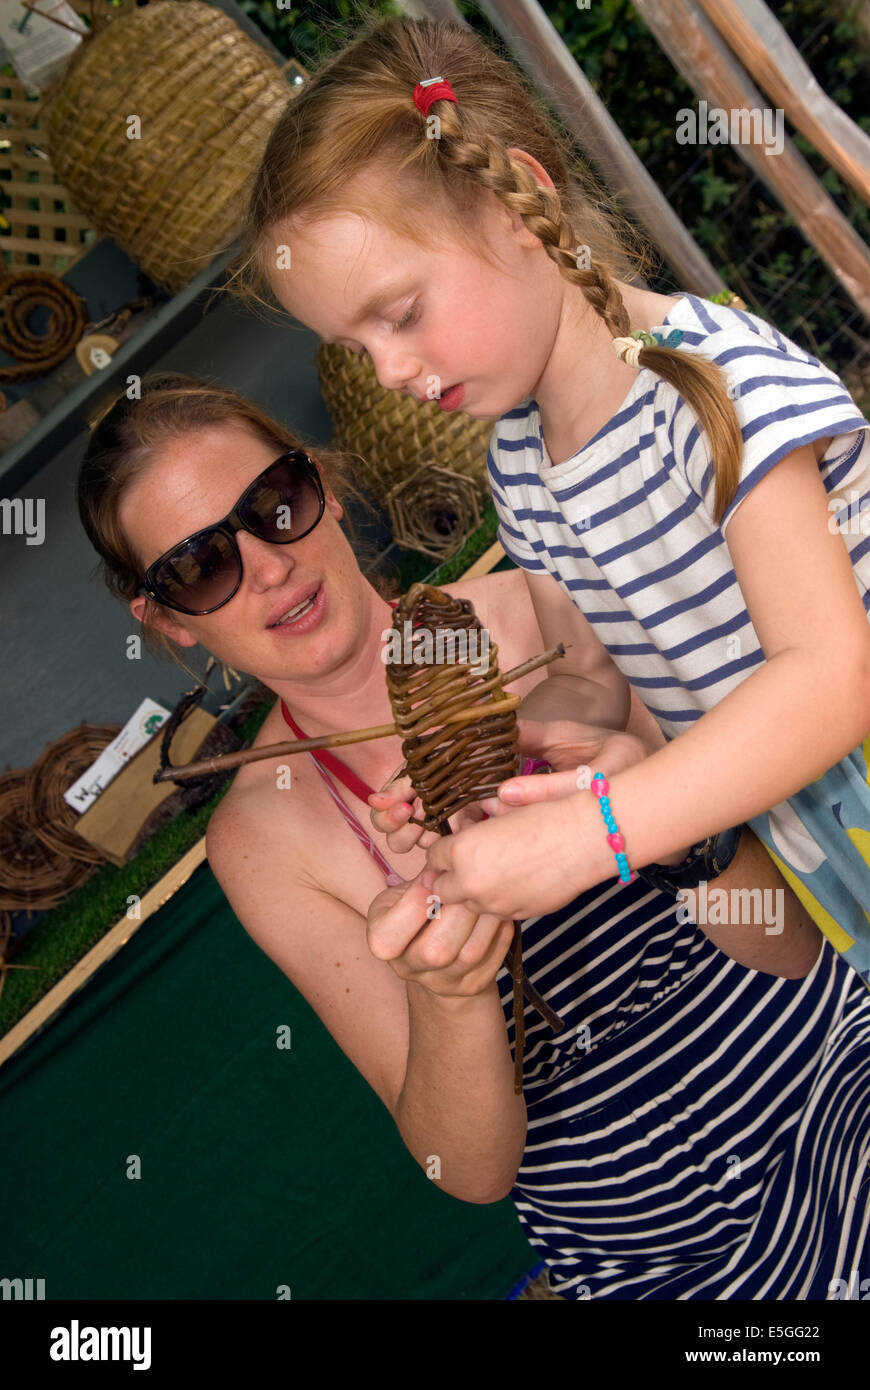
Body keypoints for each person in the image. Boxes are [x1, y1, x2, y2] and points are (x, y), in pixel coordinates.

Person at [76, 374, 870, 1300]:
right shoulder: (262, 838)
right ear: (166, 619)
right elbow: (470, 1169)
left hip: (834, 1088)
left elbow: (788, 945)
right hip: (656, 1263)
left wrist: (643, 821)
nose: (267, 567)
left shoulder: (538, 611)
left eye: (275, 506)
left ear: (324, 488)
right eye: (200, 565)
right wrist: (449, 996)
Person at [222, 14, 870, 984]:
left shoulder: (712, 391)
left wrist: (598, 833)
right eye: (357, 349)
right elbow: (607, 687)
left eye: (400, 315)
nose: (390, 369)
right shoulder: (523, 471)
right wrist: (501, 767)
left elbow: (832, 677)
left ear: (520, 202)